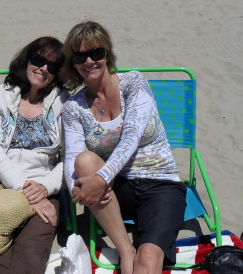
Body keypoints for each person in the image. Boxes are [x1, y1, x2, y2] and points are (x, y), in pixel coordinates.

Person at [61, 21, 186, 274]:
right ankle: (125, 250)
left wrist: (100, 178)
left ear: (107, 55)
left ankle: (137, 256)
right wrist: (77, 189)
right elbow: (71, 156)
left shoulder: (134, 83)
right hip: (117, 190)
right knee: (84, 161)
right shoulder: (73, 107)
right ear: (73, 63)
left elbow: (131, 136)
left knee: (149, 257)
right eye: (80, 56)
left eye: (96, 53)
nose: (89, 61)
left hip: (160, 183)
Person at [0, 36, 68, 274]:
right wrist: (25, 190)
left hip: (41, 187)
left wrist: (47, 186)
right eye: (38, 59)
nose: (44, 68)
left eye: (52, 66)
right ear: (27, 59)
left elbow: (72, 157)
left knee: (31, 254)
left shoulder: (63, 102)